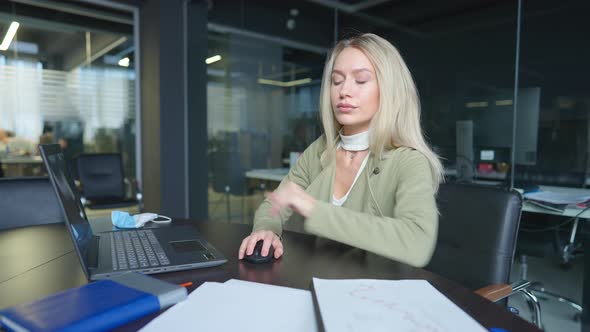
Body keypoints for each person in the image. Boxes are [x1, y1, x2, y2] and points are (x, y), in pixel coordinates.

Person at [238, 33, 444, 268]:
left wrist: (313, 209)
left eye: (361, 80)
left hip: (373, 291)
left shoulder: (409, 162)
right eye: (336, 81)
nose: (344, 91)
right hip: (314, 277)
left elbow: (416, 244)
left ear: (389, 90)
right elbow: (274, 205)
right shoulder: (320, 149)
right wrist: (267, 231)